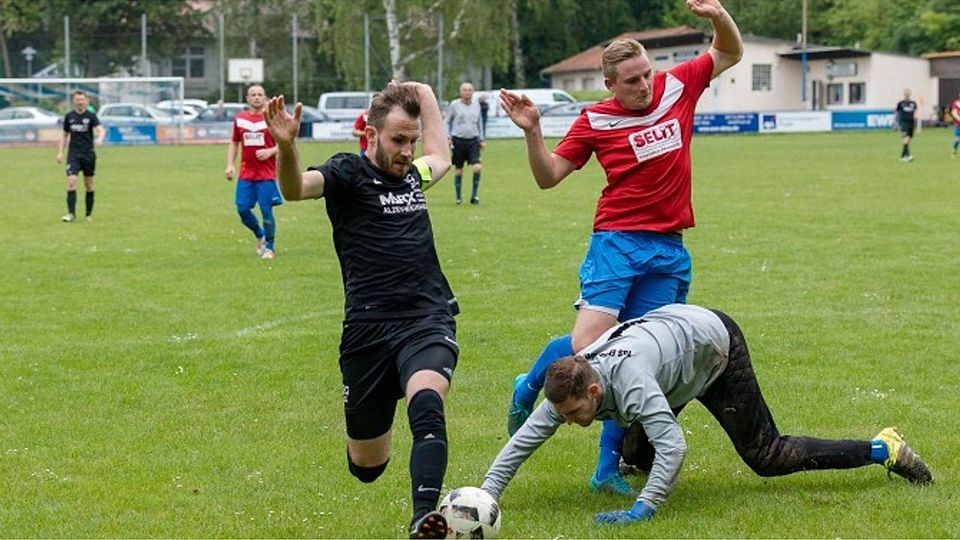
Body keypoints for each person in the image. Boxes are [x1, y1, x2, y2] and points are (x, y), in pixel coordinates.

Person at [500, 0, 743, 496]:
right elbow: (549, 178)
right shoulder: (594, 119)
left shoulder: (678, 86)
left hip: (669, 250)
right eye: (631, 80)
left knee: (632, 359)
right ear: (609, 83)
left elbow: (730, 52)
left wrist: (718, 15)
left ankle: (606, 470)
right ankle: (528, 386)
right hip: (617, 243)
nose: (643, 85)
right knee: (587, 349)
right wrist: (533, 133)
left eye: (646, 75)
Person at [481, 304, 933, 528]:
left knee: (767, 455)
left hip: (715, 349)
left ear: (594, 390)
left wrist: (644, 509)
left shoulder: (633, 381)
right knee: (637, 455)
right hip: (674, 353)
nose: (569, 422)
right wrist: (485, 496)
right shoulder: (569, 385)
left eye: (577, 413)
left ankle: (884, 447)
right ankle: (638, 457)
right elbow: (523, 442)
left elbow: (676, 444)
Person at [263, 81, 457, 539]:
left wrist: (425, 93)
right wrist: (286, 147)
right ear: (370, 135)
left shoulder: (414, 176)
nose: (407, 151)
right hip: (368, 330)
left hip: (426, 318)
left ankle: (424, 517)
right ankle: (378, 457)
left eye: (411, 141)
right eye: (397, 140)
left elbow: (442, 156)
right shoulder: (347, 174)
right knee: (367, 467)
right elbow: (296, 189)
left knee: (427, 402)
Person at [225, 84, 282, 260]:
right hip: (246, 174)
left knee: (267, 213)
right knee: (242, 209)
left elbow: (285, 143)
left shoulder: (272, 118)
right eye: (253, 94)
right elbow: (234, 142)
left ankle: (269, 247)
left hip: (266, 175)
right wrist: (229, 165)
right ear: (247, 99)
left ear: (265, 98)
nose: (256, 97)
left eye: (260, 94)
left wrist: (270, 151)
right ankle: (259, 234)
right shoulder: (240, 119)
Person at [56, 90, 105, 223]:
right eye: (77, 100)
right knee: (71, 181)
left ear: (86, 101)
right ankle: (71, 214)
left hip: (88, 154)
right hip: (74, 154)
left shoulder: (91, 116)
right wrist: (60, 152)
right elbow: (64, 135)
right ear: (73, 101)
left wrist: (100, 138)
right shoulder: (69, 117)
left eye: (82, 100)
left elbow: (101, 129)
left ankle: (88, 214)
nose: (79, 102)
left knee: (88, 184)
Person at [447, 81, 485, 204]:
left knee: (477, 167)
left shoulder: (476, 105)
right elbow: (447, 121)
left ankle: (474, 196)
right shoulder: (454, 105)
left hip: (473, 140)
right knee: (458, 169)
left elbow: (479, 123)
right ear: (460, 92)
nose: (467, 92)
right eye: (465, 90)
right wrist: (448, 137)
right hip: (458, 140)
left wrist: (481, 139)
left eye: (470, 90)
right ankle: (458, 197)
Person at [895, 88, 918, 162]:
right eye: (906, 93)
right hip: (903, 122)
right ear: (904, 94)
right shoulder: (900, 103)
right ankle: (909, 156)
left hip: (911, 123)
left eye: (908, 93)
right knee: (906, 138)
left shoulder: (913, 103)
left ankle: (902, 157)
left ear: (910, 94)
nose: (907, 94)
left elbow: (915, 113)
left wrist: (916, 122)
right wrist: (895, 122)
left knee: (908, 140)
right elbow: (896, 112)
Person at [950, 90, 960, 158]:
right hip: (959, 125)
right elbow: (954, 113)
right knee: (957, 139)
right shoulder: (956, 103)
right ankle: (954, 150)